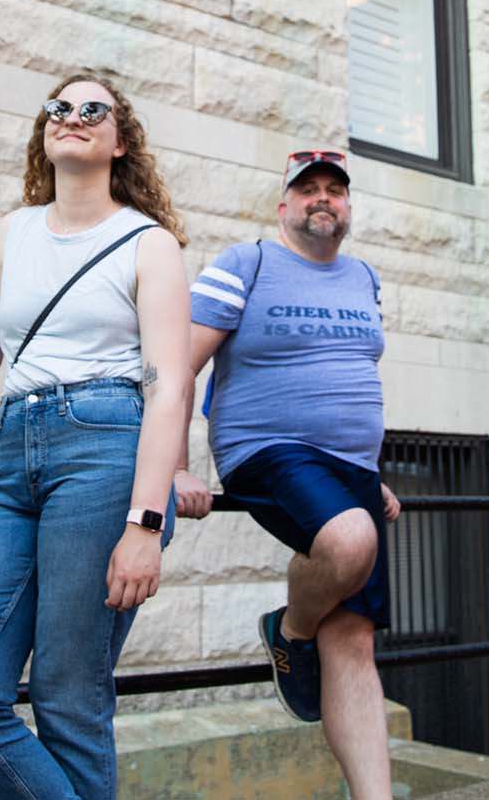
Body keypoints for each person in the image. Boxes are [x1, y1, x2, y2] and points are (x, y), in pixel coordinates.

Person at [0, 73, 192, 800]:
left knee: (67, 697)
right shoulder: (14, 231)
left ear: (121, 142)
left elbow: (170, 386)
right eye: (61, 107)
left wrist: (146, 521)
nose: (74, 117)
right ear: (43, 129)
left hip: (106, 453)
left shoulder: (149, 244)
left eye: (95, 110)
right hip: (13, 455)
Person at [173, 149, 400, 800]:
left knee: (354, 635)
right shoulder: (247, 263)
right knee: (351, 541)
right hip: (265, 448)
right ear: (283, 205)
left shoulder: (364, 277)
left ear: (348, 206)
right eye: (308, 189)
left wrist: (370, 470)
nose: (322, 198)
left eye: (335, 189)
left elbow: (352, 375)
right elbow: (176, 365)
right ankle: (291, 630)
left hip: (351, 467)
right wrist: (180, 465)